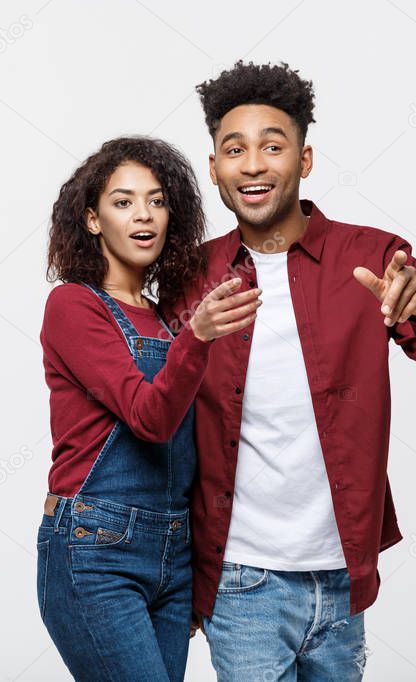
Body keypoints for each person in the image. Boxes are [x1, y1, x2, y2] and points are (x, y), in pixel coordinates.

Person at [160, 62, 416, 681]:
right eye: (235, 150)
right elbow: (155, 417)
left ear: (304, 160)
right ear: (215, 170)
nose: (253, 164)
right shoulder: (187, 279)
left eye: (273, 146)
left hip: (343, 576)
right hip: (239, 580)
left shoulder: (376, 258)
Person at [36, 136, 262, 681]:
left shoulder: (168, 319)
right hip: (96, 550)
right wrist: (200, 337)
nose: (144, 215)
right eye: (123, 202)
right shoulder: (74, 305)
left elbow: (203, 442)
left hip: (173, 550)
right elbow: (150, 417)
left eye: (157, 201)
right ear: (92, 220)